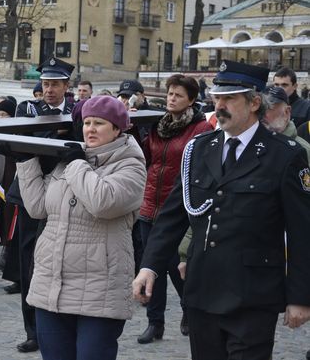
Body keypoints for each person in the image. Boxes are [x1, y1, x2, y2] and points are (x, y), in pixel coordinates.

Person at [133, 60, 310, 360]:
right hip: (203, 289)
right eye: (217, 98)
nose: (220, 106)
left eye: (230, 98)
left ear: (254, 102)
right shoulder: (200, 148)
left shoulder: (285, 155)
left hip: (253, 295)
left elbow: (302, 231)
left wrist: (301, 297)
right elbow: (173, 216)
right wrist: (149, 266)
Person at [17, 96, 147, 360]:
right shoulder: (71, 157)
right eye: (87, 122)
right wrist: (27, 162)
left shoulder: (131, 165)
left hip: (99, 289)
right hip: (52, 284)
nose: (90, 129)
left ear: (118, 129)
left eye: (99, 123)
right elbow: (38, 208)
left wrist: (77, 163)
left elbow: (103, 202)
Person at [136, 74, 213, 344]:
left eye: (178, 95)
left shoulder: (200, 129)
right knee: (152, 265)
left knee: (177, 267)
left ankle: (190, 310)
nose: (172, 98)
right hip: (149, 205)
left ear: (191, 100)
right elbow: (148, 158)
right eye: (170, 93)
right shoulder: (158, 125)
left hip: (180, 208)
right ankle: (154, 323)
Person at [9, 56, 77, 353]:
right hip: (31, 193)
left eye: (55, 84)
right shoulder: (28, 108)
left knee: (64, 259)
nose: (49, 89)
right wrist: (57, 134)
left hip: (65, 193)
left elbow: (77, 146)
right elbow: (26, 142)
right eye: (46, 83)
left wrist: (52, 134)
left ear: (66, 86)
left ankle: (62, 322)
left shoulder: (76, 110)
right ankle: (33, 330)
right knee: (30, 261)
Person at [262, 86, 310, 162]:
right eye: (259, 108)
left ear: (286, 112)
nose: (261, 114)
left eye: (268, 108)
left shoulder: (302, 150)